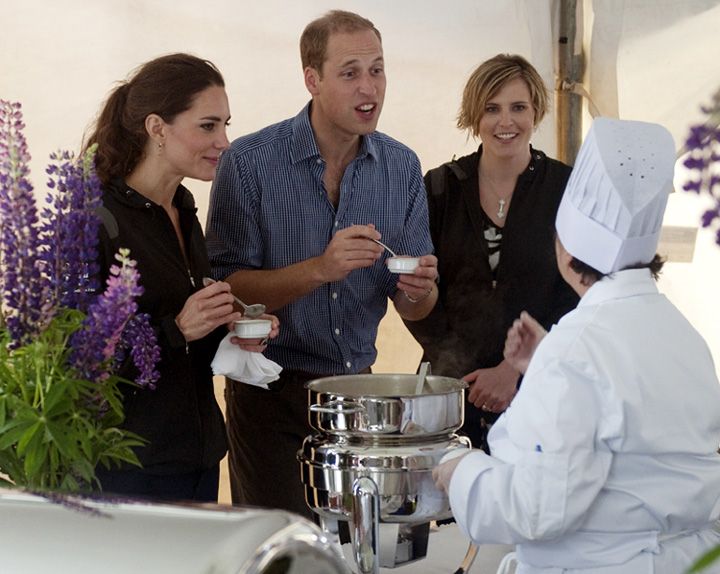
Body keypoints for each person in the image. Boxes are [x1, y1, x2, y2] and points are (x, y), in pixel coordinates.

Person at [433, 117, 720, 573]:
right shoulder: (684, 335)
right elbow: (632, 418)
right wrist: (546, 360)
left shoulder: (575, 350)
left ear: (565, 248)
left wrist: (460, 472)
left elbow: (538, 509)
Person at [206, 10, 438, 517]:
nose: (369, 86)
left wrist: (420, 290)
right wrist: (321, 268)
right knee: (281, 549)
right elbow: (227, 287)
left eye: (377, 69)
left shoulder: (402, 167)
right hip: (270, 391)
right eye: (350, 71)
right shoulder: (247, 163)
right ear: (312, 79)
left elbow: (416, 309)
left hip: (360, 396)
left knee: (359, 552)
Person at [82, 53, 279, 503]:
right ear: (157, 128)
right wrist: (177, 328)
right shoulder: (95, 220)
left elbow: (185, 339)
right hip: (126, 469)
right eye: (208, 126)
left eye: (226, 124)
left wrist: (232, 329)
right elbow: (77, 362)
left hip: (198, 458)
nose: (225, 141)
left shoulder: (185, 209)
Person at [403, 54, 578, 451]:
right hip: (447, 391)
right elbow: (415, 287)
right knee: (442, 506)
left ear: (537, 111)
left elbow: (575, 296)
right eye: (492, 109)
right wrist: (461, 370)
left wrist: (512, 371)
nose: (506, 122)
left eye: (518, 107)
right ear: (474, 115)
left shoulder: (566, 189)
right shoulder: (440, 187)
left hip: (539, 391)